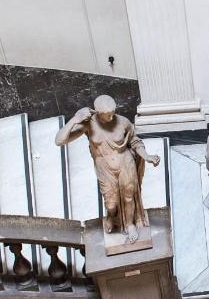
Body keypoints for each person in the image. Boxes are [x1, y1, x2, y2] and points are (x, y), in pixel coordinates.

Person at [54, 95, 161, 238]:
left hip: (125, 163)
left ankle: (130, 225)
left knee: (129, 197)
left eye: (113, 113)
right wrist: (75, 119)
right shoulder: (88, 124)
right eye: (107, 115)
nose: (111, 117)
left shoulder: (123, 122)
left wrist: (146, 156)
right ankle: (111, 216)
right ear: (98, 113)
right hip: (104, 168)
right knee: (111, 203)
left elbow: (135, 141)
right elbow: (60, 140)